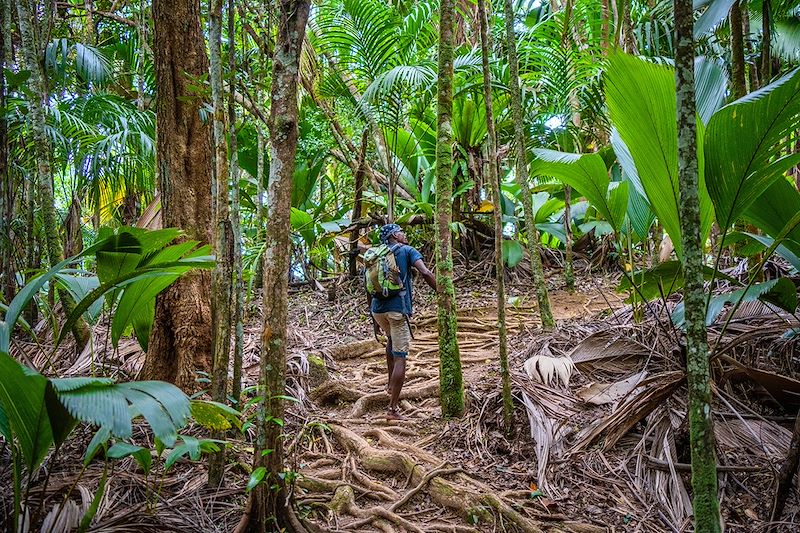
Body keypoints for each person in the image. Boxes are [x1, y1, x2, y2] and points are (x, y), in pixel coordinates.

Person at [368, 223, 436, 420]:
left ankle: (390, 384)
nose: (404, 234)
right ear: (394, 235)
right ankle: (392, 409)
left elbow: (369, 286)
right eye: (401, 232)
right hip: (397, 310)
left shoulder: (375, 254)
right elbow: (424, 272)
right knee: (401, 357)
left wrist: (373, 320)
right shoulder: (407, 250)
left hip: (377, 310)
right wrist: (442, 291)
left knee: (391, 340)